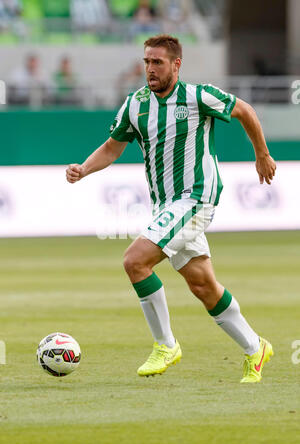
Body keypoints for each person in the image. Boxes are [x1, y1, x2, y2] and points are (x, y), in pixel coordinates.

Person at [66, 34, 276, 383]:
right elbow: (112, 147)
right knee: (203, 285)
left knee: (135, 261)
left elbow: (245, 110)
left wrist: (262, 154)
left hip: (196, 199)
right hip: (166, 205)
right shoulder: (135, 104)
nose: (150, 68)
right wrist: (83, 169)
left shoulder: (198, 96)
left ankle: (166, 345)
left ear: (176, 64)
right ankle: (256, 348)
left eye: (157, 62)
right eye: (147, 61)